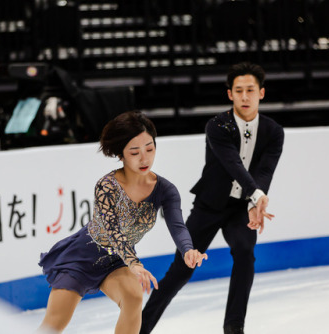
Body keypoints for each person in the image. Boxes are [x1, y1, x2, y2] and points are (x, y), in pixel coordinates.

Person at [140, 62, 285, 334]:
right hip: (210, 205)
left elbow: (265, 170)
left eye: (250, 90)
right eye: (238, 90)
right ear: (229, 94)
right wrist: (256, 193)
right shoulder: (217, 126)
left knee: (245, 251)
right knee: (182, 268)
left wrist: (257, 198)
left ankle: (233, 327)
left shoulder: (273, 131)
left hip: (241, 209)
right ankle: (141, 327)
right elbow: (233, 164)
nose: (244, 96)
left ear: (261, 93)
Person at [38, 111, 208, 334]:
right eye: (135, 152)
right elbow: (113, 231)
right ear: (121, 155)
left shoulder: (165, 189)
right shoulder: (107, 186)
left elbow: (177, 225)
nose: (144, 158)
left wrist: (187, 249)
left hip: (117, 261)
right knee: (53, 325)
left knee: (133, 297)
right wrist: (134, 263)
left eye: (149, 148)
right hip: (82, 258)